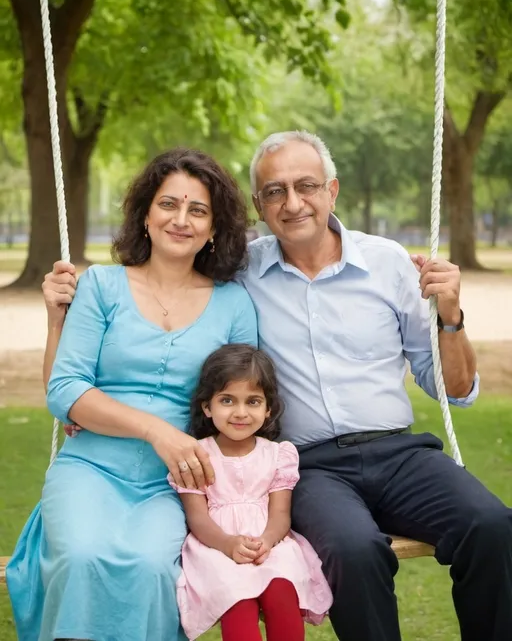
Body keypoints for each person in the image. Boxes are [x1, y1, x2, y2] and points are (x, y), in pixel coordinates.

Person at [40, 130, 512, 641]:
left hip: (399, 452)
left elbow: (457, 389)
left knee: (492, 526)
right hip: (313, 465)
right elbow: (147, 306)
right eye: (273, 192)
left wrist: (449, 316)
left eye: (306, 186)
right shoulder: (245, 274)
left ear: (332, 191)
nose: (292, 203)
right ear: (258, 207)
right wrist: (63, 316)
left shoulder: (389, 263)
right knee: (354, 550)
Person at [6, 148, 259, 641]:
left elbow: (243, 401)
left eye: (198, 210)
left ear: (213, 229)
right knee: (79, 557)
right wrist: (157, 431)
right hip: (91, 467)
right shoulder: (102, 286)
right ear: (145, 214)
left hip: (175, 486)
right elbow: (64, 389)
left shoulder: (233, 305)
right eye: (168, 204)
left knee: (150, 568)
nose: (180, 219)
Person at [170, 343, 332, 641]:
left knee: (282, 588)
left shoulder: (278, 455)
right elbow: (198, 518)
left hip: (269, 543)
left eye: (253, 402)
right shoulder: (196, 456)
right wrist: (228, 543)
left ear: (268, 408)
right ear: (207, 406)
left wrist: (267, 541)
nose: (240, 412)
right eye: (228, 400)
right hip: (216, 546)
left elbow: (280, 513)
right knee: (236, 598)